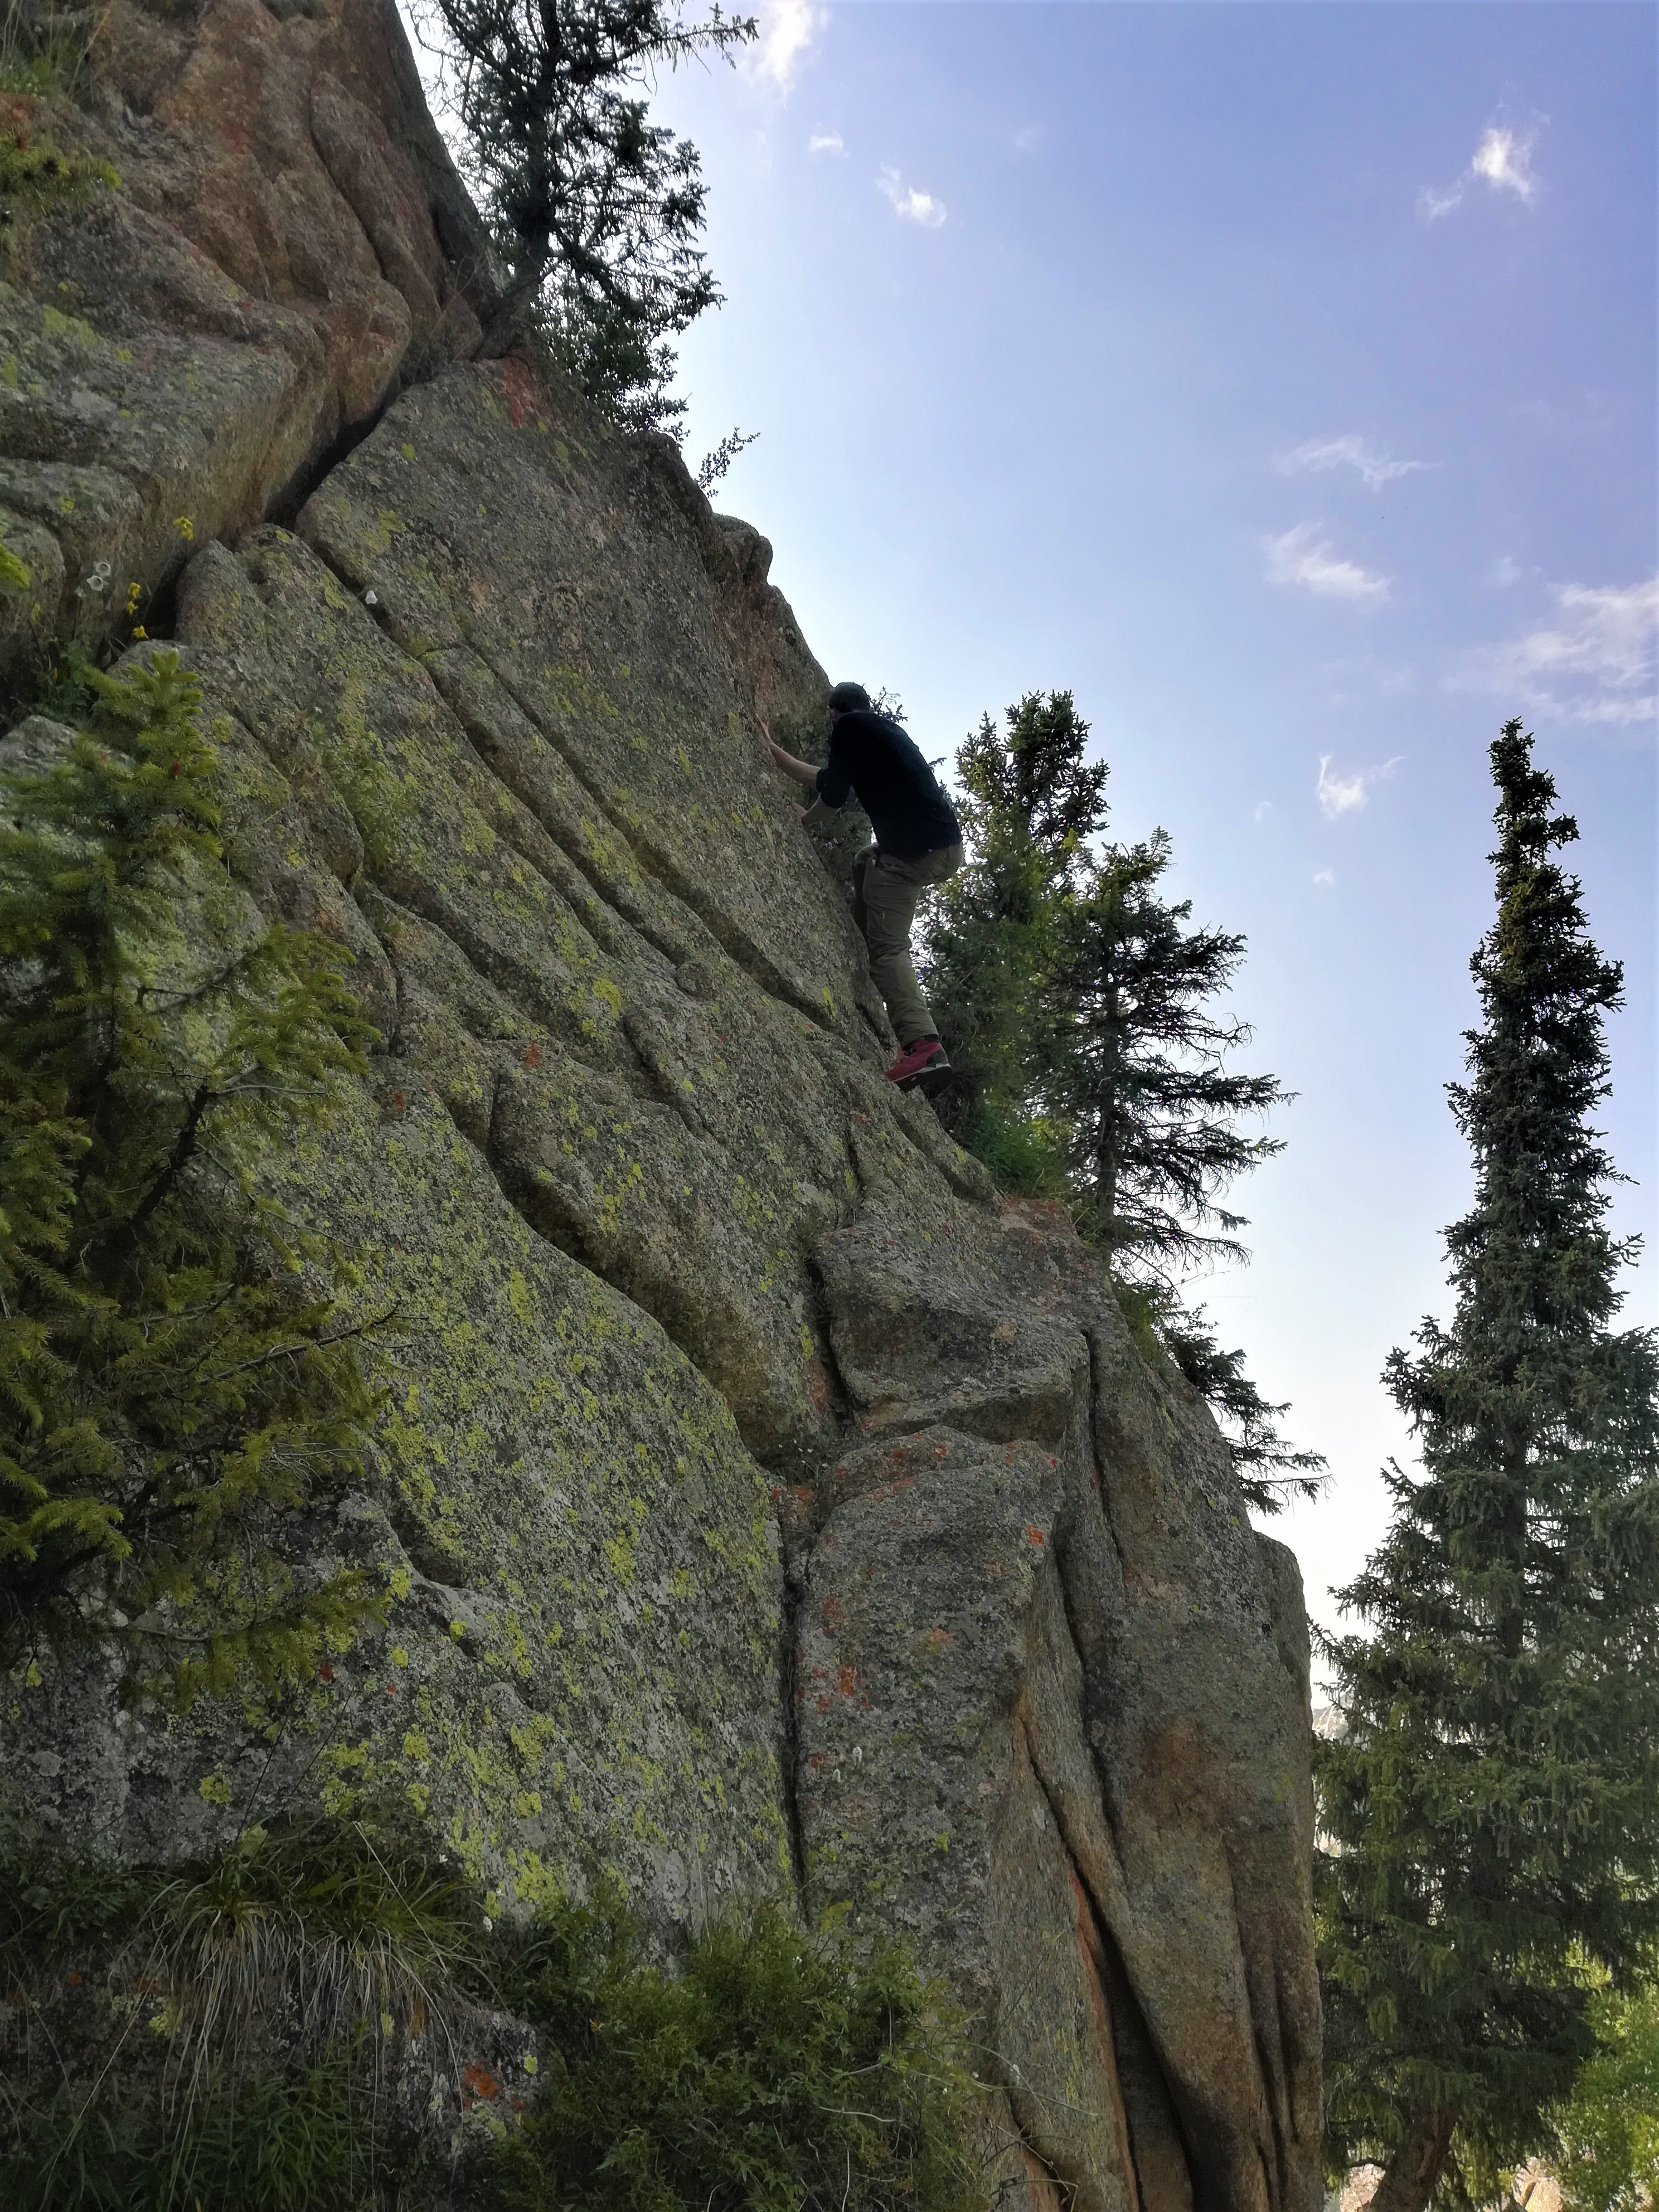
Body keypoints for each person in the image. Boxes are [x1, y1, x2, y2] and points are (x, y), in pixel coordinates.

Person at [760, 682, 963, 1085]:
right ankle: (861, 938)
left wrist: (801, 820)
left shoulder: (849, 728)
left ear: (834, 712)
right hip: (942, 848)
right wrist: (774, 753)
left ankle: (924, 1047)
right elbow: (833, 781)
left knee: (889, 949)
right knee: (864, 859)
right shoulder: (881, 731)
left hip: (913, 855)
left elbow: (832, 798)